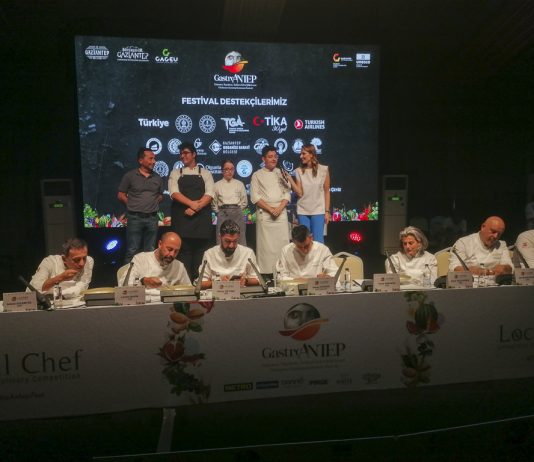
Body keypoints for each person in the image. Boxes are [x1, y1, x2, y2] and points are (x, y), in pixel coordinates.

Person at [168, 142, 215, 281]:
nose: (182, 156)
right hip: (182, 221)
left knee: (201, 254)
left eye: (186, 153)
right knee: (183, 254)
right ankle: (184, 284)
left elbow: (209, 194)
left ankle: (199, 283)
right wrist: (192, 204)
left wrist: (196, 207)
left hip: (201, 223)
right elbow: (174, 193)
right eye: (181, 154)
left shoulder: (205, 173)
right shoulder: (175, 173)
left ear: (194, 154)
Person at [118, 147, 164, 264]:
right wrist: (132, 204)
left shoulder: (157, 178)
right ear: (141, 160)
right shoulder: (130, 176)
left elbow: (160, 196)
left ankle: (147, 274)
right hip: (135, 217)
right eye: (151, 158)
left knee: (150, 251)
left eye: (154, 159)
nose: (154, 161)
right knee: (132, 250)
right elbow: (121, 195)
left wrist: (152, 202)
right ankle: (129, 275)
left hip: (152, 218)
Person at [250, 145, 291, 274]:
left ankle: (283, 272)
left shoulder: (282, 173)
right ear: (263, 159)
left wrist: (279, 208)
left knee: (283, 245)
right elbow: (255, 197)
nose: (273, 159)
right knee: (265, 247)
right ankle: (265, 275)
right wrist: (270, 209)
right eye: (270, 157)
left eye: (275, 156)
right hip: (265, 214)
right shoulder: (257, 175)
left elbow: (287, 193)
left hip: (281, 213)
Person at [284, 144, 330, 243]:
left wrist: (326, 211)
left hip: (318, 210)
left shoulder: (323, 170)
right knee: (304, 240)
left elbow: (326, 192)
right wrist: (290, 179)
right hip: (303, 211)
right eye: (300, 154)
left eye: (303, 153)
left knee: (318, 241)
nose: (301, 156)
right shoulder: (298, 171)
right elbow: (300, 193)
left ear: (311, 154)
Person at [198, 219, 259, 289]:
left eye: (235, 241)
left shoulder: (248, 253)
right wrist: (218, 282)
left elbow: (257, 280)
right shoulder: (209, 254)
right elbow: (201, 283)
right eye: (227, 241)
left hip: (241, 293)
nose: (231, 245)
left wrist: (245, 281)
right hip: (217, 293)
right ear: (220, 237)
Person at [449, 216, 513, 276]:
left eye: (499, 234)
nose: (495, 236)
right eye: (493, 231)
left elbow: (510, 266)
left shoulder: (501, 245)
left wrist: (505, 268)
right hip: (470, 281)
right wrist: (469, 271)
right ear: (483, 227)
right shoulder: (463, 243)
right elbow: (454, 267)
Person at [29, 238, 93, 297]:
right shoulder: (49, 262)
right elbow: (34, 290)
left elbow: (82, 288)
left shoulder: (89, 261)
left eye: (84, 258)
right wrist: (61, 277)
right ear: (64, 259)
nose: (82, 264)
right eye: (76, 260)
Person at [212, 159, 248, 245]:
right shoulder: (216, 185)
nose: (229, 171)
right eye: (227, 169)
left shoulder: (239, 184)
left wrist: (237, 210)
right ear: (222, 171)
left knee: (240, 238)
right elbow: (213, 203)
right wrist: (220, 211)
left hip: (237, 213)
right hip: (223, 213)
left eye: (232, 169)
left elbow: (244, 202)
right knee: (221, 238)